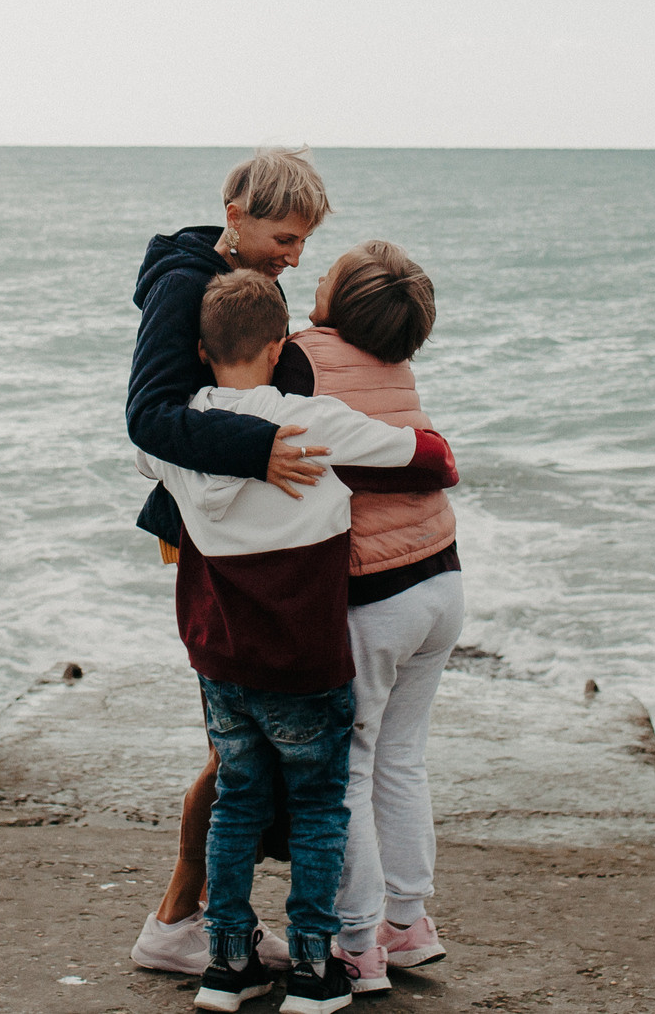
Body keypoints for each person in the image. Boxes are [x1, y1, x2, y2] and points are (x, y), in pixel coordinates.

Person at [136, 270, 456, 1013]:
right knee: (318, 809)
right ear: (280, 345)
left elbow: (147, 454)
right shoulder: (312, 420)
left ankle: (225, 965)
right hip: (307, 665)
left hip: (224, 663)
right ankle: (314, 970)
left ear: (198, 348)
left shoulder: (178, 431)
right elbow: (422, 453)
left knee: (237, 804)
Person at [288, 241, 461, 992]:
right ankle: (410, 919)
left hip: (376, 591)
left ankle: (358, 943)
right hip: (443, 581)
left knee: (347, 771)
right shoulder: (396, 361)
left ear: (342, 300)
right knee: (402, 758)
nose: (313, 275)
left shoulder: (304, 357)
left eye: (325, 273)